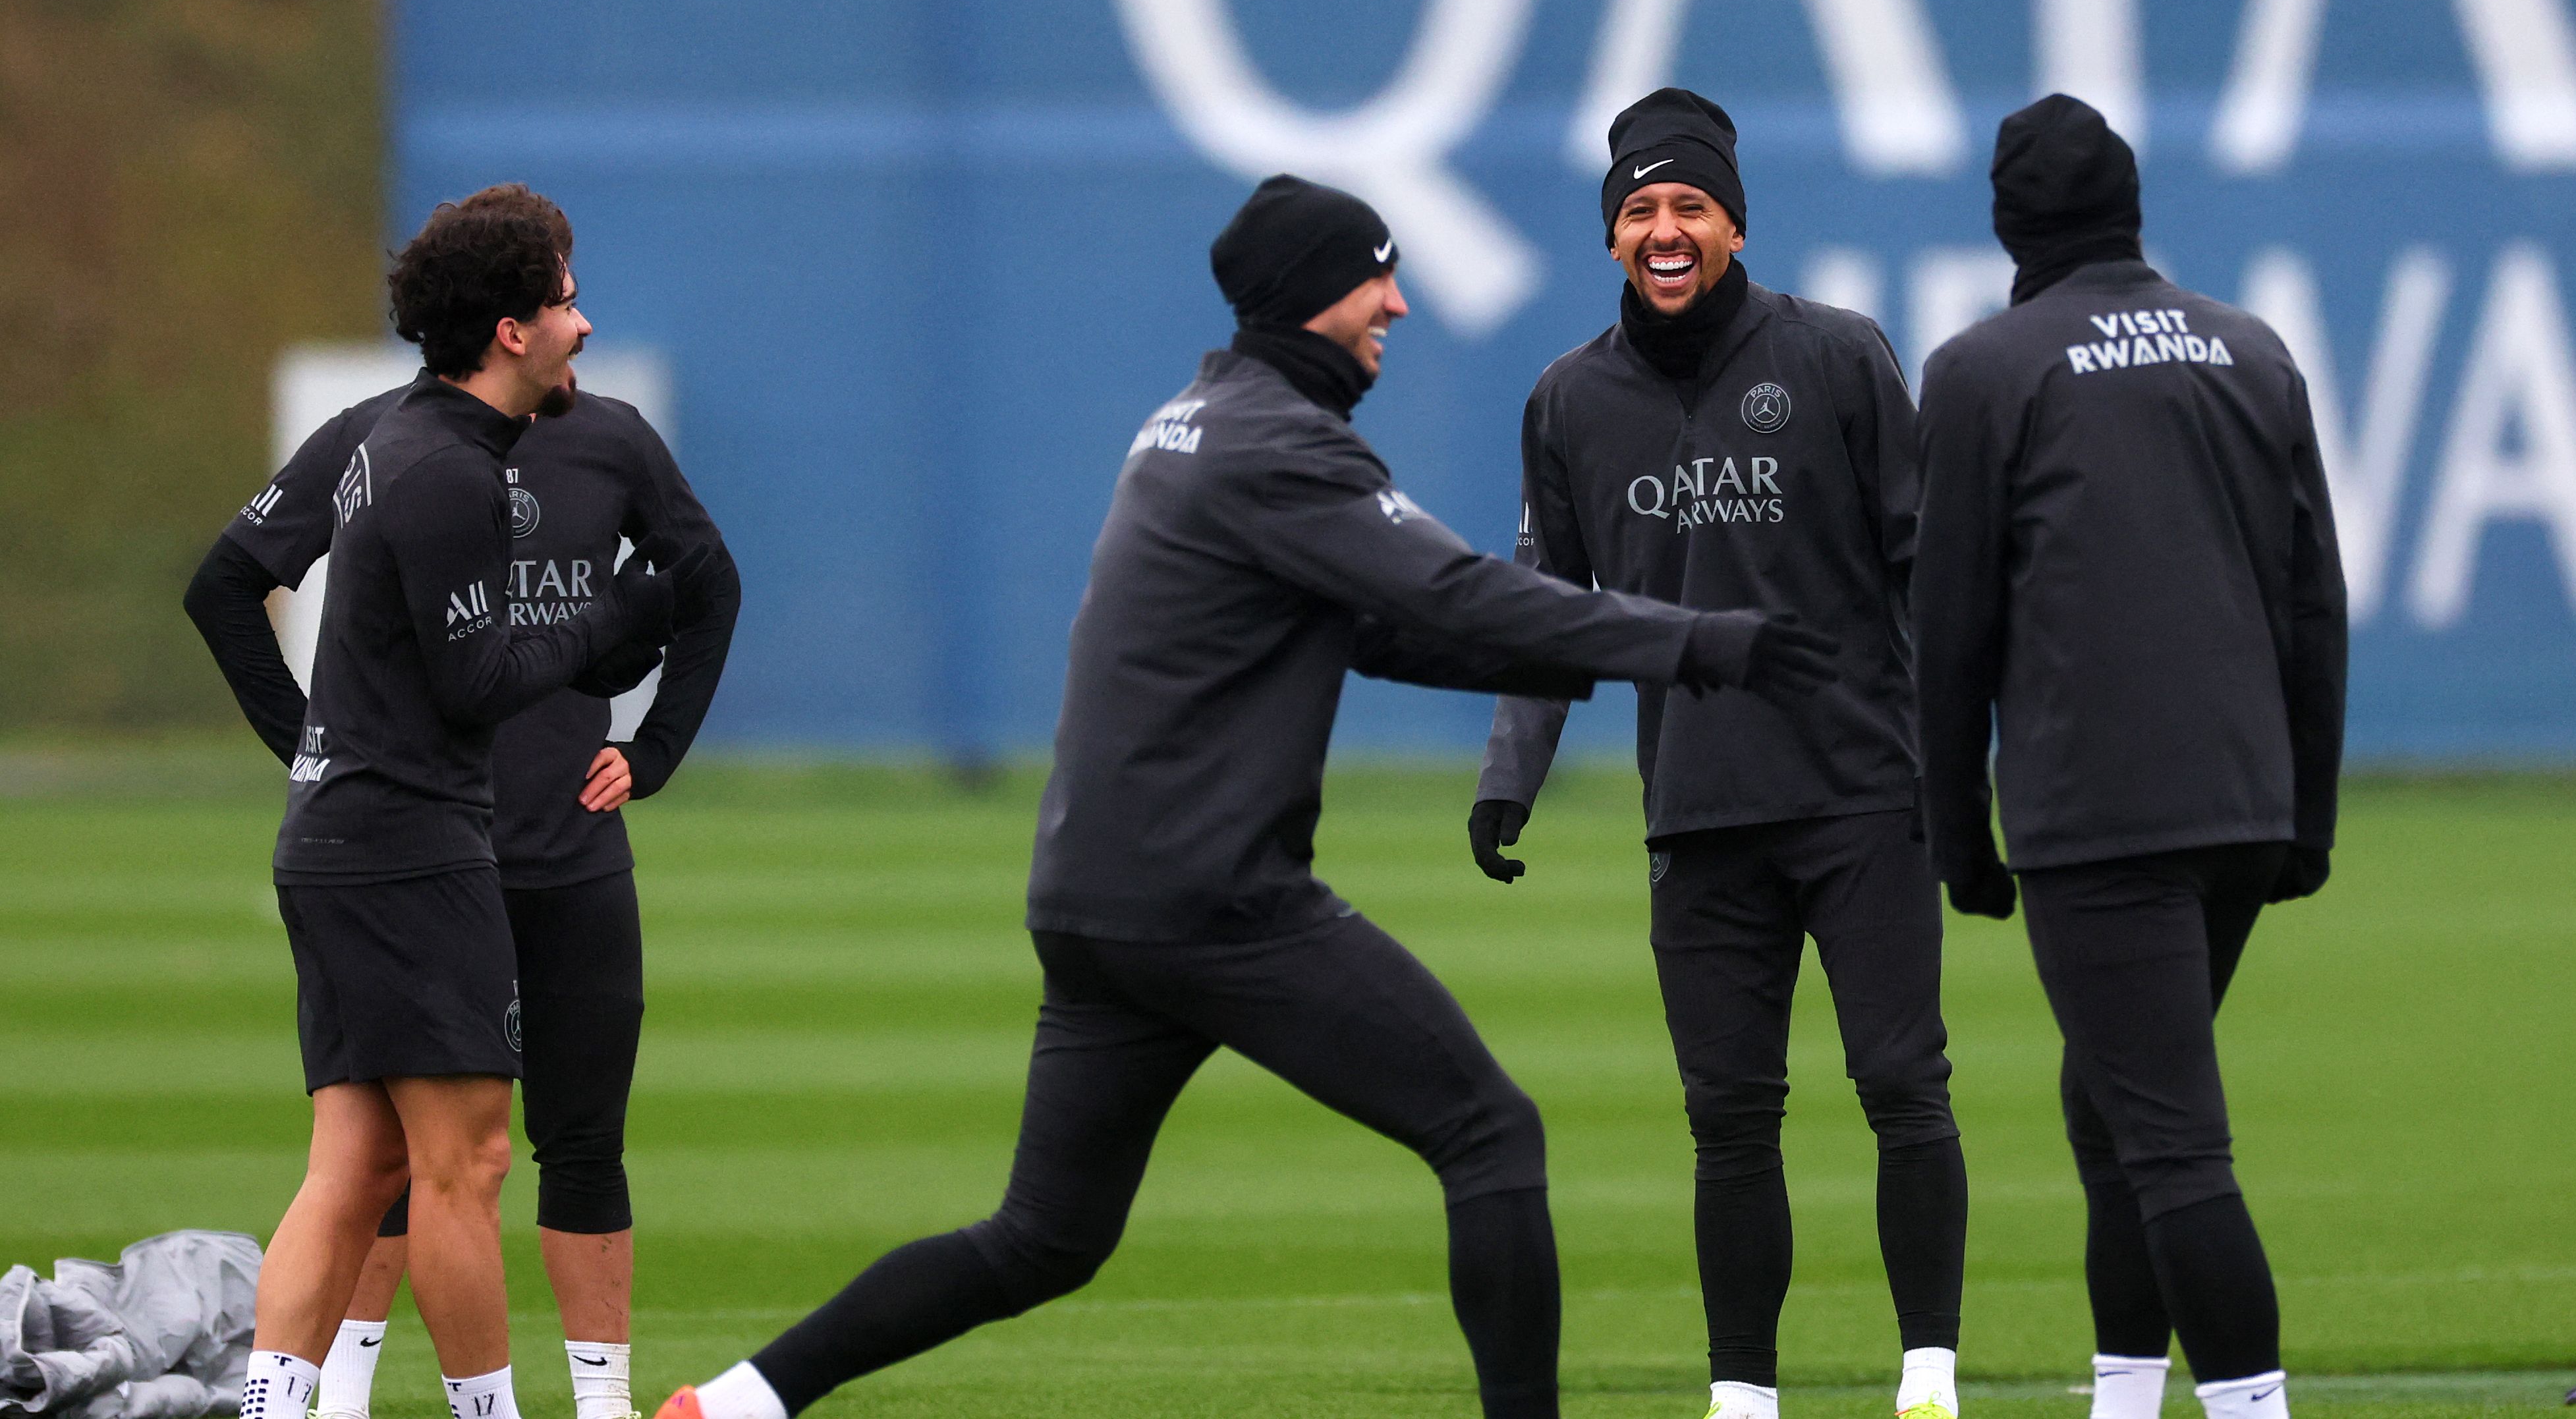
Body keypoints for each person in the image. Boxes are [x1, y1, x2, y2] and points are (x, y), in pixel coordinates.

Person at [659, 175, 1837, 1419]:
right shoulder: (1281, 444)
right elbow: (1450, 593)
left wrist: (1594, 664)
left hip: (1096, 899)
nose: (1397, 300)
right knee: (1490, 1136)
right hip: (1210, 899)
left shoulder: (1196, 419)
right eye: (1373, 278)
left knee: (1045, 1238)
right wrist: (1696, 642)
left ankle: (733, 1404)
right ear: (1308, 298)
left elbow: (1377, 631)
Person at [188, 188, 742, 1419]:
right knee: (464, 1164)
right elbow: (476, 679)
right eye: (563, 300)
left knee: (360, 1161)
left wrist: (637, 724)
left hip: (357, 840)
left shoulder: (411, 446)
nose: (584, 324)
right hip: (412, 849)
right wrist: (615, 625)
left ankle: (283, 1409)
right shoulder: (444, 468)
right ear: (508, 329)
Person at [1469, 88, 1965, 1419]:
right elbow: (1546, 605)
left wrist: (1954, 759)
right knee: (1730, 1119)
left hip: (1862, 794)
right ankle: (1744, 1395)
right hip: (1696, 810)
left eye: (1690, 206)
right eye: (1640, 211)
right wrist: (1510, 773)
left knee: (1900, 1082)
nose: (1665, 229)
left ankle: (1930, 1373)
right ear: (1613, 241)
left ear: (1735, 228)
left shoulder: (1841, 357)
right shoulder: (1570, 399)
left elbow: (1926, 573)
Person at [1911, 96, 2347, 1419]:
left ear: (2005, 221)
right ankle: (2122, 1398)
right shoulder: (2250, 350)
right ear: (2133, 205)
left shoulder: (1985, 371)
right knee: (2110, 1107)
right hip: (2239, 798)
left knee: (2166, 1140)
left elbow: (1953, 628)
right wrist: (2305, 817)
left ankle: (2252, 1409)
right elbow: (2311, 599)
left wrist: (1956, 834)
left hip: (2097, 812)